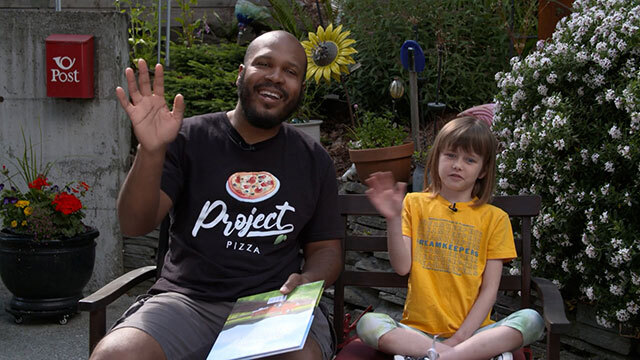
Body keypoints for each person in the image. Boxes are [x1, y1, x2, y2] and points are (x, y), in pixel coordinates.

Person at [90, 30, 343, 360]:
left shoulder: (313, 159)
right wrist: (150, 151)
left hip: (272, 307)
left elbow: (326, 249)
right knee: (118, 354)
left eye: (290, 71)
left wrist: (308, 279)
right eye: (263, 64)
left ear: (300, 89)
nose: (276, 77)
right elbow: (134, 224)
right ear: (241, 73)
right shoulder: (189, 138)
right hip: (187, 301)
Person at [356, 116, 544, 360]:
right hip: (417, 332)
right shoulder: (414, 203)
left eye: (469, 159)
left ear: (483, 170)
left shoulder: (495, 218)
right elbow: (402, 267)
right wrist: (393, 218)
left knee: (532, 320)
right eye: (451, 155)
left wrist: (459, 339)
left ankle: (436, 356)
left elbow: (489, 290)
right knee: (368, 324)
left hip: (475, 333)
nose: (458, 165)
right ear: (437, 158)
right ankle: (467, 356)